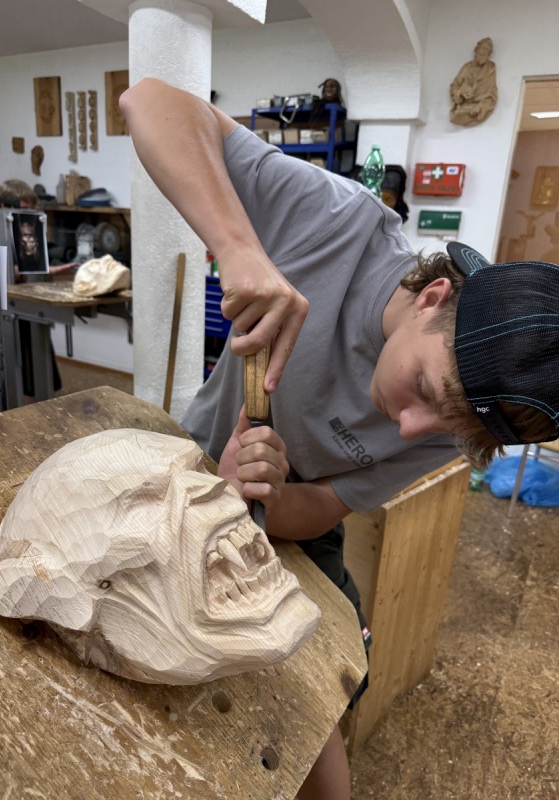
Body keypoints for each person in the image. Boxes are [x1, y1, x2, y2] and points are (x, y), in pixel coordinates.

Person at [120, 78, 559, 800]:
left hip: (289, 522)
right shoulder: (336, 225)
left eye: (450, 429)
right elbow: (149, 103)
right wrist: (238, 246)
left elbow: (321, 509)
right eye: (425, 390)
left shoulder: (452, 427)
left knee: (328, 686)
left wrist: (262, 494)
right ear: (432, 298)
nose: (410, 430)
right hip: (191, 465)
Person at [0, 179, 75, 403]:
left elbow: (33, 266)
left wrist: (56, 270)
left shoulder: (28, 231)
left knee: (40, 364)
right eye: (23, 209)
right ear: (4, 206)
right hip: (8, 309)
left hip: (30, 305)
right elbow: (5, 270)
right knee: (21, 370)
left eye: (31, 209)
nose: (27, 215)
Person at [450, 37, 497, 126]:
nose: (484, 52)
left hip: (479, 106)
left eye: (487, 50)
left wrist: (482, 106)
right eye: (483, 48)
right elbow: (455, 85)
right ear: (477, 50)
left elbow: (492, 92)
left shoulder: (490, 69)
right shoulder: (467, 67)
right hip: (464, 107)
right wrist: (460, 93)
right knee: (458, 115)